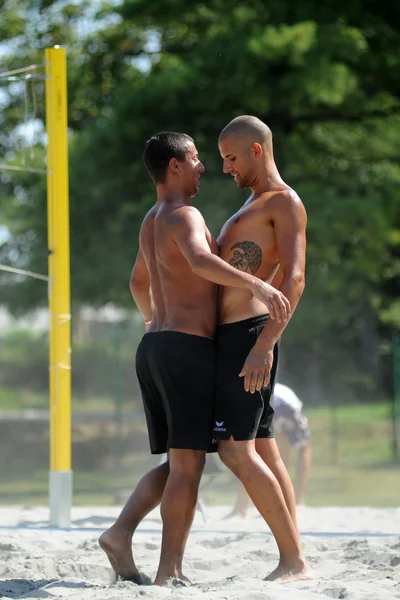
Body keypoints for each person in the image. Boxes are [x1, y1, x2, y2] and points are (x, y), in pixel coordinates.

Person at [98, 131, 290, 586]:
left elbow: (137, 283)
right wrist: (258, 285)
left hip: (156, 348)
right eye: (197, 159)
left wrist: (154, 323)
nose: (204, 167)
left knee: (178, 460)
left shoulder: (152, 220)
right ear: (175, 167)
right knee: (188, 465)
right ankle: (170, 571)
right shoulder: (185, 214)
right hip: (186, 350)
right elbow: (202, 262)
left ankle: (121, 533)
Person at [212, 115, 313, 583]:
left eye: (231, 157)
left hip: (252, 340)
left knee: (236, 450)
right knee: (267, 452)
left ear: (256, 150)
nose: (226, 167)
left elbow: (294, 278)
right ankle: (294, 557)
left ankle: (294, 561)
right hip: (234, 338)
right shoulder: (250, 205)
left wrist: (265, 343)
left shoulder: (284, 202)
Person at [225, 382, 312, 518]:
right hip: (281, 404)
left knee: (248, 453)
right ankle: (297, 501)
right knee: (302, 448)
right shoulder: (280, 390)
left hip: (259, 401)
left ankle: (241, 506)